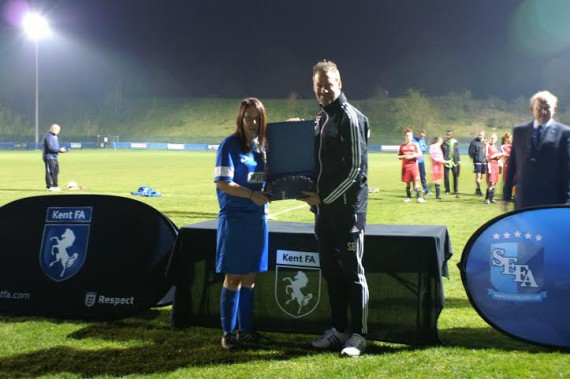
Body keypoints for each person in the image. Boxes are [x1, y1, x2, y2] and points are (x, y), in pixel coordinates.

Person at [300, 60, 369, 357]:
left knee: (353, 273)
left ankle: (360, 335)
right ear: (314, 89)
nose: (325, 90)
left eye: (329, 84)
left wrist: (324, 198)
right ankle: (339, 330)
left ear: (340, 83)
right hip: (324, 213)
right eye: (319, 86)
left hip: (348, 212)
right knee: (331, 271)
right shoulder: (319, 119)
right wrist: (298, 133)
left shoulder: (350, 118)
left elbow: (356, 171)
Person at [214, 97, 271, 349]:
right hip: (235, 219)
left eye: (257, 117)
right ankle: (228, 333)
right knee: (234, 276)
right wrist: (250, 194)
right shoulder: (229, 145)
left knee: (250, 277)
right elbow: (222, 183)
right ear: (240, 118)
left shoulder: (262, 148)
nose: (253, 122)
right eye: (248, 117)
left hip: (257, 220)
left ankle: (245, 330)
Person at [503, 90, 570, 210]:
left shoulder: (564, 133)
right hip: (524, 199)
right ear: (532, 109)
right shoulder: (519, 131)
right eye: (539, 108)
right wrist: (506, 195)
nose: (543, 112)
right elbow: (512, 164)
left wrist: (567, 200)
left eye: (547, 108)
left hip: (551, 201)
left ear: (554, 109)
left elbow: (567, 168)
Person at [398, 128, 425, 203]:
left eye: (410, 136)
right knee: (407, 183)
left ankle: (419, 197)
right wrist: (404, 156)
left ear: (412, 136)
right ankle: (408, 197)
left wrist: (413, 156)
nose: (408, 137)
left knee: (416, 182)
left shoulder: (415, 145)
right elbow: (399, 156)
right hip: (405, 167)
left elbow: (419, 154)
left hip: (413, 166)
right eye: (407, 135)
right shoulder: (402, 146)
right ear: (404, 136)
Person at [42, 123, 67, 191]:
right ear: (53, 129)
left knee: (56, 171)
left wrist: (61, 150)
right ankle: (49, 186)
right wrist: (59, 150)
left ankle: (55, 186)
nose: (58, 132)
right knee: (49, 172)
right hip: (49, 157)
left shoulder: (55, 136)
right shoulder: (49, 136)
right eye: (58, 130)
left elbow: (55, 147)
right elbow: (50, 147)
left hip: (54, 157)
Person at [483, 133, 504, 204]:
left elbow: (497, 158)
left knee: (494, 182)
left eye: (494, 138)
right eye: (491, 138)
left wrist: (501, 155)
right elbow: (487, 157)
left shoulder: (496, 147)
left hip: (496, 165)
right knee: (491, 182)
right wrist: (494, 156)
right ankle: (487, 199)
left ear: (496, 139)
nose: (493, 139)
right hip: (490, 165)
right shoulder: (487, 146)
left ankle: (492, 198)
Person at [441, 129, 461, 198]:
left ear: (452, 135)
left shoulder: (455, 142)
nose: (448, 135)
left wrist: (458, 160)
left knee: (455, 176)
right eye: (447, 134)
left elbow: (457, 151)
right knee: (446, 176)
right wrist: (442, 159)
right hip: (446, 161)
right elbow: (441, 151)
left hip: (454, 161)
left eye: (449, 134)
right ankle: (447, 190)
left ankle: (455, 190)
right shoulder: (444, 143)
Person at [413, 129, 431, 195]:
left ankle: (425, 189)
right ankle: (415, 189)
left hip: (421, 160)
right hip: (414, 161)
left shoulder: (423, 140)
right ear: (418, 133)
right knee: (415, 176)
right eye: (420, 135)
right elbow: (414, 148)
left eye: (423, 136)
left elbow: (425, 148)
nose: (422, 137)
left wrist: (421, 149)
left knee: (423, 175)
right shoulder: (413, 140)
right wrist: (420, 149)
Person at [468, 129, 486, 196]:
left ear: (484, 135)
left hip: (484, 162)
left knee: (482, 177)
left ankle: (477, 189)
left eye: (481, 135)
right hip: (477, 162)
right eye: (479, 135)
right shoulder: (474, 142)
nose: (480, 136)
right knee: (478, 177)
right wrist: (475, 158)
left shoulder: (486, 141)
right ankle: (479, 189)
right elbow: (470, 152)